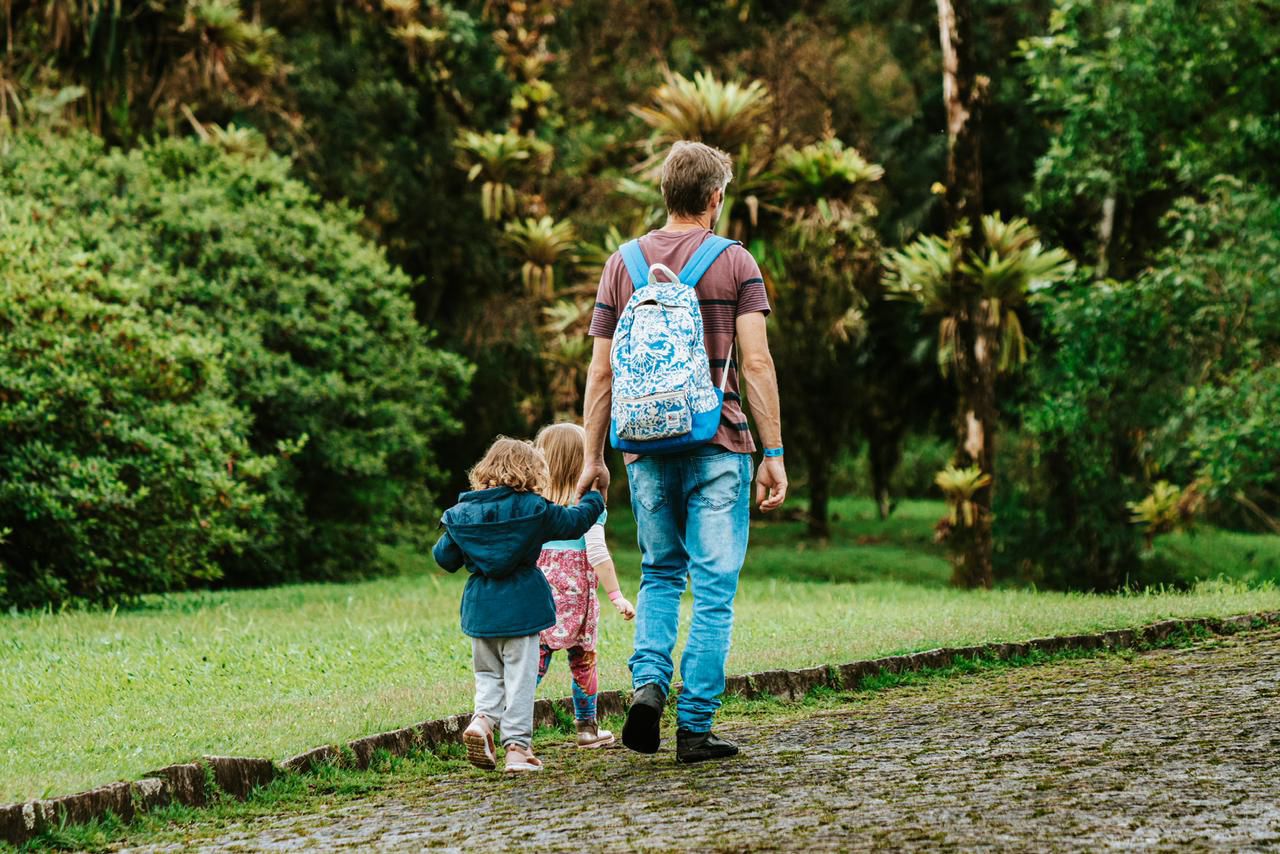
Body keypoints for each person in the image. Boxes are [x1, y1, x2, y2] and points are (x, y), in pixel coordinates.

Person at [576, 140, 788, 764]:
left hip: (643, 450)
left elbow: (600, 373)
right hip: (718, 444)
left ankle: (647, 686)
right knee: (714, 588)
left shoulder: (622, 264)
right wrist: (771, 449)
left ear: (666, 195)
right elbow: (755, 361)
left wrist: (595, 458)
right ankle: (694, 728)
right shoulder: (735, 263)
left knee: (661, 574)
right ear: (715, 198)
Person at [433, 436, 604, 773]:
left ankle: (482, 722)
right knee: (520, 681)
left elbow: (444, 558)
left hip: (481, 611)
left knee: (488, 676)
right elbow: (574, 521)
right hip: (523, 610)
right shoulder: (534, 509)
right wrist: (596, 497)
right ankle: (516, 751)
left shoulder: (463, 513)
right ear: (531, 472)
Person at [533, 422, 637, 749]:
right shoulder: (590, 505)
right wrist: (616, 595)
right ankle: (587, 729)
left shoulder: (534, 505)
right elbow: (596, 552)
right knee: (583, 660)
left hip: (538, 597)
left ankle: (509, 726)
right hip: (578, 600)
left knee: (533, 661)